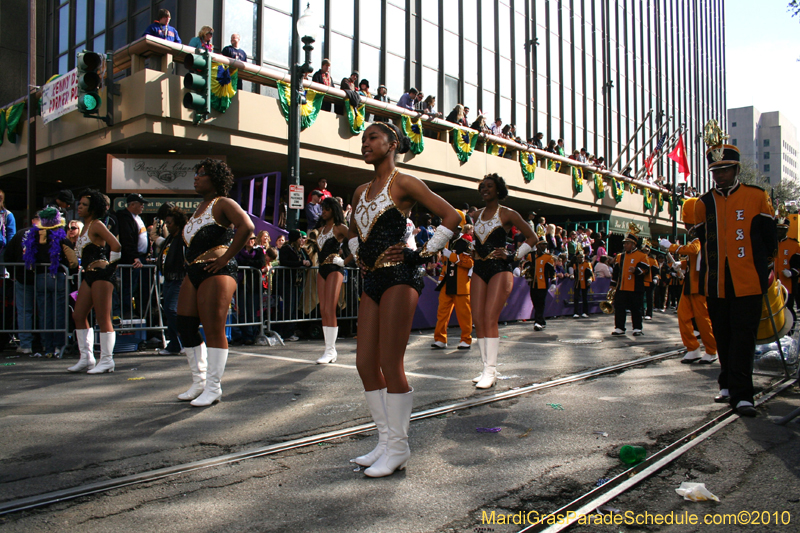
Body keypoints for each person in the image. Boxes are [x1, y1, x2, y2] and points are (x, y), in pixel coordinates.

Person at [347, 121, 460, 477]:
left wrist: (421, 254)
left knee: (389, 360)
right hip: (373, 278)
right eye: (363, 139)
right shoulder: (359, 191)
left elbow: (452, 216)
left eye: (373, 138)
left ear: (392, 143)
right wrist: (357, 254)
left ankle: (399, 447)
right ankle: (384, 441)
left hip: (400, 277)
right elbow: (353, 231)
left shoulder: (405, 182)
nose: (366, 143)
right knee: (365, 362)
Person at [694, 141, 776, 417]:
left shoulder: (756, 196)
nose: (719, 176)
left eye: (725, 170)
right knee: (724, 335)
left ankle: (743, 395)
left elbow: (769, 239)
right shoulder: (703, 202)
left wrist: (765, 272)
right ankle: (727, 384)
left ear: (736, 169)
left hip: (748, 280)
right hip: (716, 281)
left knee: (744, 338)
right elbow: (700, 239)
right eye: (715, 171)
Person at [176, 159, 254, 406]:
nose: (196, 178)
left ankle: (213, 386)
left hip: (218, 271)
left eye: (202, 174)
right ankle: (199, 382)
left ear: (215, 179)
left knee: (213, 328)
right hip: (195, 271)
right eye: (196, 174)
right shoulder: (199, 208)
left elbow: (247, 226)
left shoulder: (224, 203)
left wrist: (226, 258)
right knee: (185, 325)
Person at [471, 174, 537, 386]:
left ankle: (491, 370)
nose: (485, 189)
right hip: (479, 268)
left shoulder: (508, 213)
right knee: (478, 318)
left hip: (500, 268)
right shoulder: (476, 214)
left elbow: (533, 237)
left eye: (489, 186)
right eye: (482, 186)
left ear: (498, 190)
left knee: (490, 317)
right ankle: (484, 368)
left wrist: (513, 255)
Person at [659, 198, 718, 365]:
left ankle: (711, 350)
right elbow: (695, 259)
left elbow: (694, 250)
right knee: (683, 316)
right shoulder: (698, 238)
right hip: (690, 284)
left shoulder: (703, 237)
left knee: (702, 319)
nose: (687, 228)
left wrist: (672, 247)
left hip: (700, 285)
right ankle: (692, 348)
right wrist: (682, 264)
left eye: (688, 224)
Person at [70, 190, 122, 373]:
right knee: (78, 315)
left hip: (102, 274)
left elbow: (116, 245)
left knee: (103, 317)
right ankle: (86, 358)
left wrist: (111, 267)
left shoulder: (97, 224)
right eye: (80, 203)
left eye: (84, 204)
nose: (80, 207)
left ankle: (107, 360)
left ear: (93, 208)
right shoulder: (85, 226)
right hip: (89, 275)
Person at [22, 208, 78, 358]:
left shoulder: (33, 236)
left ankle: (47, 346)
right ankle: (59, 346)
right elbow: (73, 262)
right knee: (59, 312)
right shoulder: (61, 237)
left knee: (44, 313)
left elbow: (28, 259)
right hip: (58, 276)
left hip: (40, 278)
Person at [432, 212, 473, 350]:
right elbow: (445, 265)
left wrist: (453, 256)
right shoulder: (447, 243)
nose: (452, 231)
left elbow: (469, 263)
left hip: (461, 284)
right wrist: (441, 279)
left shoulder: (466, 243)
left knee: (464, 314)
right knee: (442, 313)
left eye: (455, 228)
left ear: (460, 229)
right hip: (447, 283)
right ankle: (440, 339)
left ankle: (466, 339)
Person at [315, 197, 348, 363]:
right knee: (323, 309)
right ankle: (328, 350)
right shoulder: (320, 229)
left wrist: (345, 261)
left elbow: (357, 242)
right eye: (322, 209)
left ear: (333, 210)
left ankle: (330, 350)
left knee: (330, 308)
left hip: (335, 268)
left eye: (326, 209)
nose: (323, 212)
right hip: (322, 269)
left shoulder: (340, 228)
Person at [157, 206, 187, 355]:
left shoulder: (182, 238)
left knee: (171, 309)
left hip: (178, 278)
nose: (167, 225)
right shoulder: (170, 238)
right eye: (166, 222)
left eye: (169, 222)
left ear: (177, 223)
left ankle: (183, 341)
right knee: (168, 310)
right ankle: (175, 344)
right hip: (168, 278)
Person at [115, 193, 149, 319]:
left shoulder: (137, 218)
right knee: (128, 287)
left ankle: (137, 312)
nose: (142, 207)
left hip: (141, 257)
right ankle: (127, 313)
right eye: (140, 204)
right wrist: (134, 256)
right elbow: (126, 239)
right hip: (132, 259)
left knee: (139, 288)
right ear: (132, 204)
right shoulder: (125, 218)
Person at [610, 228, 649, 336]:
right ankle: (619, 327)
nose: (625, 245)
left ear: (633, 244)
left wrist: (636, 270)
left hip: (635, 287)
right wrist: (613, 285)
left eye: (627, 243)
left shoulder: (642, 255)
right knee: (619, 308)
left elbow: (646, 269)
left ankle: (637, 328)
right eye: (624, 243)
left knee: (636, 308)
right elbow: (616, 273)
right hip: (622, 287)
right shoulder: (620, 256)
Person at [278, 230, 311, 341]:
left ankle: (291, 330)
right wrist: (300, 263)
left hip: (298, 282)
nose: (301, 240)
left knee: (294, 307)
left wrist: (308, 263)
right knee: (289, 307)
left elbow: (309, 260)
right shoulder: (286, 249)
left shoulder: (301, 250)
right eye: (299, 238)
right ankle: (286, 332)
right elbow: (284, 262)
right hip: (288, 282)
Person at [234, 233, 266, 345]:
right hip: (242, 285)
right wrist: (251, 265)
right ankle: (245, 336)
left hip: (254, 286)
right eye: (247, 238)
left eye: (252, 238)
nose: (250, 241)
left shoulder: (258, 252)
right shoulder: (238, 251)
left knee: (252, 311)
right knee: (243, 311)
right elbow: (237, 262)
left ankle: (252, 335)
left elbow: (261, 263)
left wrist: (247, 263)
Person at [523, 239, 554, 330]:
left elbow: (552, 270)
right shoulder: (531, 256)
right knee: (535, 302)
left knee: (540, 302)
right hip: (533, 283)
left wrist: (553, 282)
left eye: (545, 245)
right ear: (538, 246)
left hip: (543, 283)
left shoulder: (548, 257)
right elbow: (527, 266)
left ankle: (538, 322)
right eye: (543, 245)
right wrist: (527, 274)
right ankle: (541, 320)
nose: (545, 246)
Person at [775, 218, 800, 325]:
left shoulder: (794, 245)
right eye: (778, 229)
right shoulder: (769, 243)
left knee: (788, 308)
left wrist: (792, 272)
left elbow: (799, 265)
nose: (780, 231)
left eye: (783, 229)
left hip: (787, 283)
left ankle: (790, 331)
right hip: (772, 283)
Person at [640, 241, 659, 320]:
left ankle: (649, 313)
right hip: (641, 281)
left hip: (650, 281)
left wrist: (655, 278)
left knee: (649, 298)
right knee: (640, 298)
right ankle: (641, 312)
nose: (645, 252)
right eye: (644, 250)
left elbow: (656, 271)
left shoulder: (652, 259)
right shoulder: (640, 258)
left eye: (647, 250)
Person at [572, 252, 594, 318]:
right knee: (576, 298)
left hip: (585, 282)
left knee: (585, 298)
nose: (580, 259)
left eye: (581, 257)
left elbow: (591, 274)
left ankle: (585, 312)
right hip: (577, 283)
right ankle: (576, 312)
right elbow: (575, 273)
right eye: (579, 258)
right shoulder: (575, 265)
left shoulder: (587, 264)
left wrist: (589, 280)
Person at [0, 189, 16, 259]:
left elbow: (11, 234)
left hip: (2, 250)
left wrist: (10, 251)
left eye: (0, 198)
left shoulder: (8, 215)